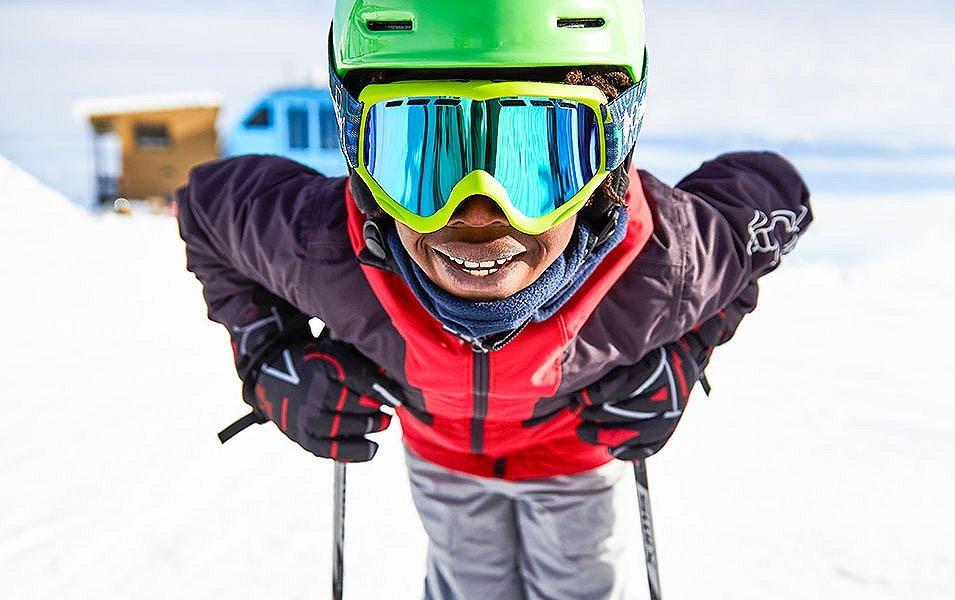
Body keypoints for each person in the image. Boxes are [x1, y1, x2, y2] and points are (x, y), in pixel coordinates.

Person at [176, 1, 812, 597]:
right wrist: (267, 354)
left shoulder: (652, 264)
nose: (478, 213)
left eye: (539, 159)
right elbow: (205, 213)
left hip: (573, 458)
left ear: (611, 158)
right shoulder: (328, 252)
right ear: (358, 149)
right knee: (468, 580)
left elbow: (774, 198)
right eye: (421, 157)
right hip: (447, 460)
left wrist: (686, 351)